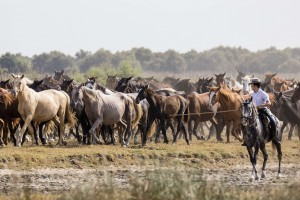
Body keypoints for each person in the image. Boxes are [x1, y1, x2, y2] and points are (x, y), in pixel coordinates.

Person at [242, 78, 276, 145]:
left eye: (251, 85)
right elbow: (244, 97)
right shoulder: (251, 94)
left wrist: (260, 106)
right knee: (244, 121)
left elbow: (269, 103)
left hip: (263, 110)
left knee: (272, 120)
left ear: (255, 86)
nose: (251, 87)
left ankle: (273, 135)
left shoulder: (264, 94)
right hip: (253, 111)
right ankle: (246, 139)